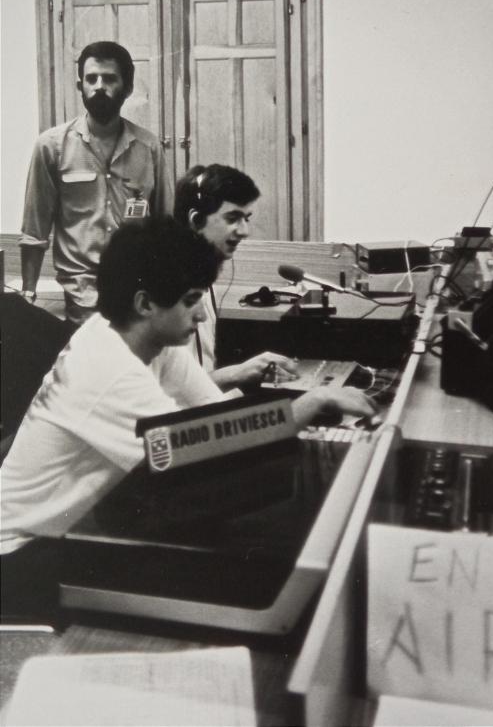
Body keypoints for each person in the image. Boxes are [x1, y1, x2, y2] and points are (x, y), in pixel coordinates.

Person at [0, 217, 376, 623]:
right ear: (145, 304)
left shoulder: (143, 337)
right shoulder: (108, 368)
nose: (200, 316)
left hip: (65, 529)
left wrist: (290, 417)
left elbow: (214, 420)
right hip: (19, 558)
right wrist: (305, 407)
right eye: (191, 300)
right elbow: (197, 449)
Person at [19, 40, 174, 327]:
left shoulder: (149, 147)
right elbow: (34, 230)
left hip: (137, 294)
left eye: (110, 78)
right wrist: (28, 294)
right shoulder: (51, 146)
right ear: (81, 86)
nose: (99, 86)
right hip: (81, 298)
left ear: (127, 88)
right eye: (91, 79)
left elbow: (166, 226)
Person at [174, 164, 299, 390]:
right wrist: (236, 374)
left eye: (246, 219)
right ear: (196, 220)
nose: (244, 231)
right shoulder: (165, 287)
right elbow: (167, 393)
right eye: (232, 218)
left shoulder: (204, 277)